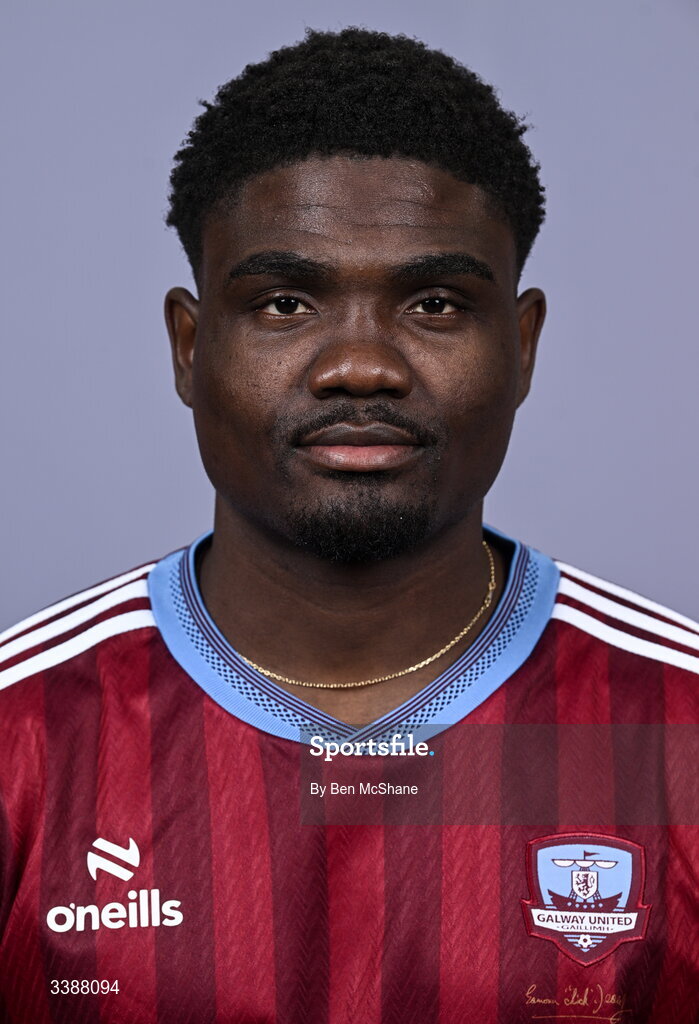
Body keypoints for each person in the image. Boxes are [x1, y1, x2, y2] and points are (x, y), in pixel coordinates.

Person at [0, 27, 696, 1024]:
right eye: (286, 302)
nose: (360, 365)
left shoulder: (679, 728)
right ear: (190, 348)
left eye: (436, 303)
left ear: (524, 344)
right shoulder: (22, 735)